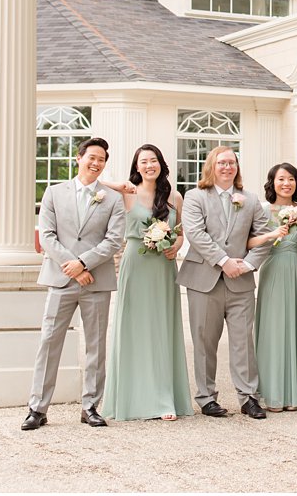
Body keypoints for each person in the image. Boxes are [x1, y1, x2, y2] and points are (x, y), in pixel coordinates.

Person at [22, 137, 125, 431]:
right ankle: (37, 408)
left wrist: (85, 263)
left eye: (101, 160)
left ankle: (90, 406)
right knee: (49, 341)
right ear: (78, 158)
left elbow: (114, 239)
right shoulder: (54, 193)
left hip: (96, 280)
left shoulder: (113, 199)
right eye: (91, 157)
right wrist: (73, 267)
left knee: (95, 344)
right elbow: (48, 236)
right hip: (60, 278)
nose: (96, 163)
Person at [97, 144, 194, 422]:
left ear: (161, 164)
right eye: (143, 161)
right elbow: (94, 183)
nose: (149, 165)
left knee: (162, 328)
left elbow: (180, 232)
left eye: (153, 161)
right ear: (136, 166)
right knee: (135, 327)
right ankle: (133, 397)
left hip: (163, 265)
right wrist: (120, 183)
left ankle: (164, 397)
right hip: (136, 262)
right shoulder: (127, 194)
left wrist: (175, 245)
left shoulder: (174, 195)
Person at [179, 146, 270, 419]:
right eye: (222, 163)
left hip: (240, 281)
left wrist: (248, 264)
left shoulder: (251, 200)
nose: (227, 167)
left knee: (243, 341)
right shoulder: (195, 197)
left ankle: (248, 397)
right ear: (212, 166)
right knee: (204, 341)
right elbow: (195, 233)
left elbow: (264, 236)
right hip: (203, 280)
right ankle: (207, 398)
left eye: (232, 163)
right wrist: (223, 260)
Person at [251, 162, 297, 412]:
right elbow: (250, 241)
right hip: (274, 268)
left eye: (290, 179)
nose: (286, 183)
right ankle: (273, 394)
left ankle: (296, 395)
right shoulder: (264, 211)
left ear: (296, 183)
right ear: (272, 183)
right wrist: (271, 234)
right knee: (273, 329)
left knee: (296, 327)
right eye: (281, 179)